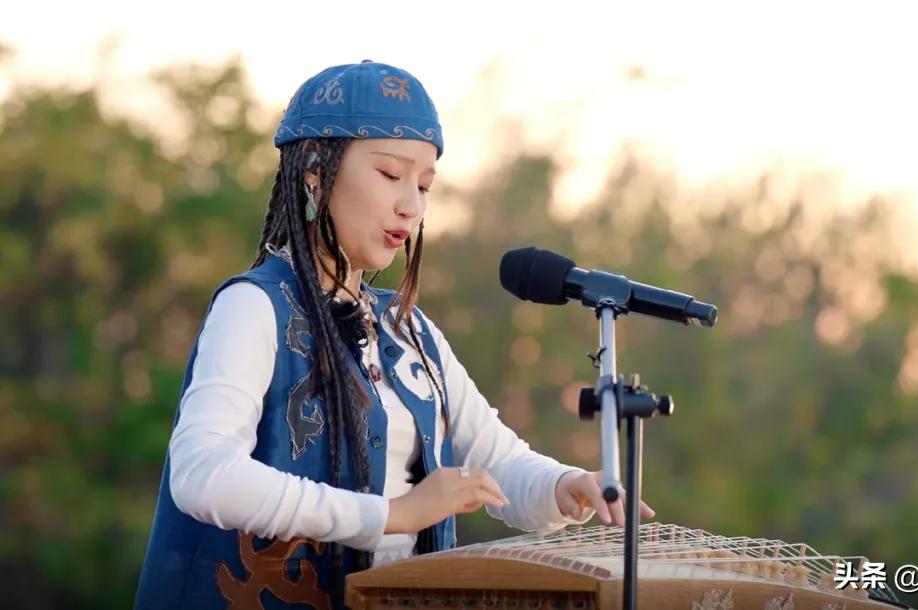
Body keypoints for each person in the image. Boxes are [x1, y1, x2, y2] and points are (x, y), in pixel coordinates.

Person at [134, 60, 654, 610]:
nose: (412, 205)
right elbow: (203, 474)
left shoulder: (408, 330)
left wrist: (565, 486)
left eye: (425, 185)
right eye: (390, 175)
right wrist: (392, 515)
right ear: (314, 171)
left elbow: (498, 465)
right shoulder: (253, 306)